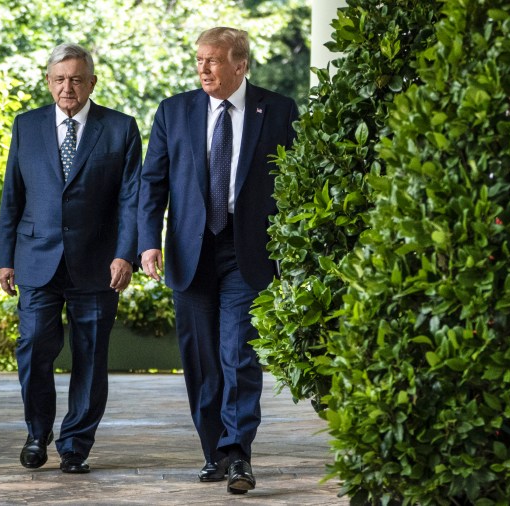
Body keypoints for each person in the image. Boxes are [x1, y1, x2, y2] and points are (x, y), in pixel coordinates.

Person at [137, 27, 298, 494]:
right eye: (199, 60)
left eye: (212, 61)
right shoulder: (174, 110)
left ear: (240, 65)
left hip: (246, 251)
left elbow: (293, 184)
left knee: (238, 353)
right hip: (190, 251)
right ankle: (214, 453)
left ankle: (239, 454)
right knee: (201, 358)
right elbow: (153, 183)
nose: (203, 69)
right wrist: (149, 242)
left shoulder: (279, 110)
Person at [0, 43, 141, 474]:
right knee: (34, 345)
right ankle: (38, 434)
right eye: (59, 79)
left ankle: (75, 445)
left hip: (97, 264)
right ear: (48, 82)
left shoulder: (120, 128)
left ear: (92, 82)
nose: (67, 87)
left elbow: (131, 200)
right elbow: (12, 197)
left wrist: (124, 254)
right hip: (36, 258)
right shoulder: (26, 126)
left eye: (76, 79)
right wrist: (5, 257)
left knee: (91, 356)